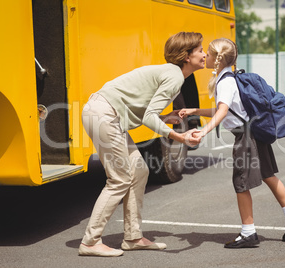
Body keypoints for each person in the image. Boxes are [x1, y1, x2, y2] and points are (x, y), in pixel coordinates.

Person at [79, 32, 205, 257]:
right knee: (119, 179)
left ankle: (133, 237)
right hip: (104, 115)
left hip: (107, 115)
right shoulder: (174, 76)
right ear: (187, 56)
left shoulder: (173, 75)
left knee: (139, 170)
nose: (204, 55)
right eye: (200, 51)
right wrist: (181, 137)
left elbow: (146, 112)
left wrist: (166, 117)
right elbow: (148, 117)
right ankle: (90, 241)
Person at [179, 38, 285, 248]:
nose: (205, 57)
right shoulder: (230, 78)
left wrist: (203, 131)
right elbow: (226, 109)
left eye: (208, 54)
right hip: (254, 131)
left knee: (241, 183)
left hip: (246, 137)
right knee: (268, 175)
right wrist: (195, 111)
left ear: (217, 59)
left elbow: (222, 111)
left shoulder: (224, 81)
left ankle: (249, 232)